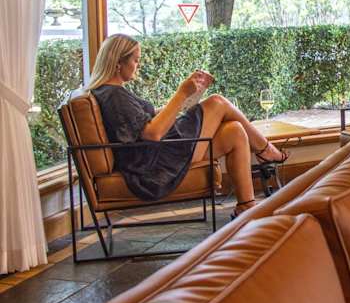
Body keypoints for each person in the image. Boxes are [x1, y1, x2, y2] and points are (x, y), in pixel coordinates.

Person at [87, 33, 287, 218]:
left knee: (235, 131)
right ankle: (265, 150)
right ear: (118, 63)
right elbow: (153, 133)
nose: (138, 66)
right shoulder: (113, 95)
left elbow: (143, 124)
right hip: (154, 164)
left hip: (158, 154)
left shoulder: (110, 92)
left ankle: (246, 205)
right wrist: (182, 93)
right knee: (217, 102)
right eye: (135, 60)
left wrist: (183, 103)